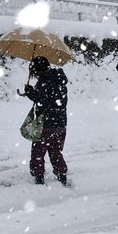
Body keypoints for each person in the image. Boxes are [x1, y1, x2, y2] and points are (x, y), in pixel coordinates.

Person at [24, 56, 69, 186]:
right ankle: (62, 175)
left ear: (38, 70)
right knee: (55, 150)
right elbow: (55, 101)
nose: (35, 75)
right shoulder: (59, 79)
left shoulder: (45, 81)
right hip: (60, 122)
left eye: (34, 72)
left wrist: (30, 92)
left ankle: (39, 177)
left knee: (38, 150)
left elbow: (42, 101)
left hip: (46, 122)